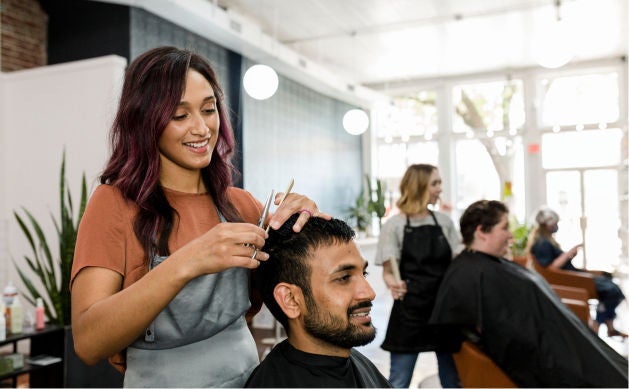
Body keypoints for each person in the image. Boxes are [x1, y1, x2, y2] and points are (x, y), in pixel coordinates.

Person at [70, 46, 329, 388]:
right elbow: (88, 343)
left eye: (209, 110)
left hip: (247, 378)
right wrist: (189, 261)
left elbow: (306, 294)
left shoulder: (241, 206)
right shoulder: (114, 204)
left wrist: (308, 221)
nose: (202, 128)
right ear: (145, 121)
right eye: (180, 116)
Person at [430, 200, 628, 388]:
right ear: (482, 232)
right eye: (505, 227)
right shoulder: (472, 274)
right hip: (544, 355)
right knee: (601, 375)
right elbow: (503, 336)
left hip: (556, 343)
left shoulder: (483, 266)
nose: (511, 235)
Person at [245, 213, 391, 388]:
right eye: (343, 278)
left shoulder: (353, 361)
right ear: (291, 299)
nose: (369, 292)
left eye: (364, 274)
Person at [375, 164, 462, 388]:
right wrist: (393, 284)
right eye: (435, 183)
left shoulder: (444, 222)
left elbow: (459, 262)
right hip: (410, 311)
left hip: (443, 310)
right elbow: (388, 270)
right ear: (419, 186)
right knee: (398, 381)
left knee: (452, 380)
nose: (440, 189)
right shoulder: (394, 225)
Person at [528, 207, 627, 338]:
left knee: (607, 277)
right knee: (612, 290)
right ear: (547, 224)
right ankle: (596, 326)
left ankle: (609, 327)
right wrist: (569, 254)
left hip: (573, 275)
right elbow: (551, 269)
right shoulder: (542, 243)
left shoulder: (546, 240)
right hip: (570, 280)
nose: (557, 226)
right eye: (555, 223)